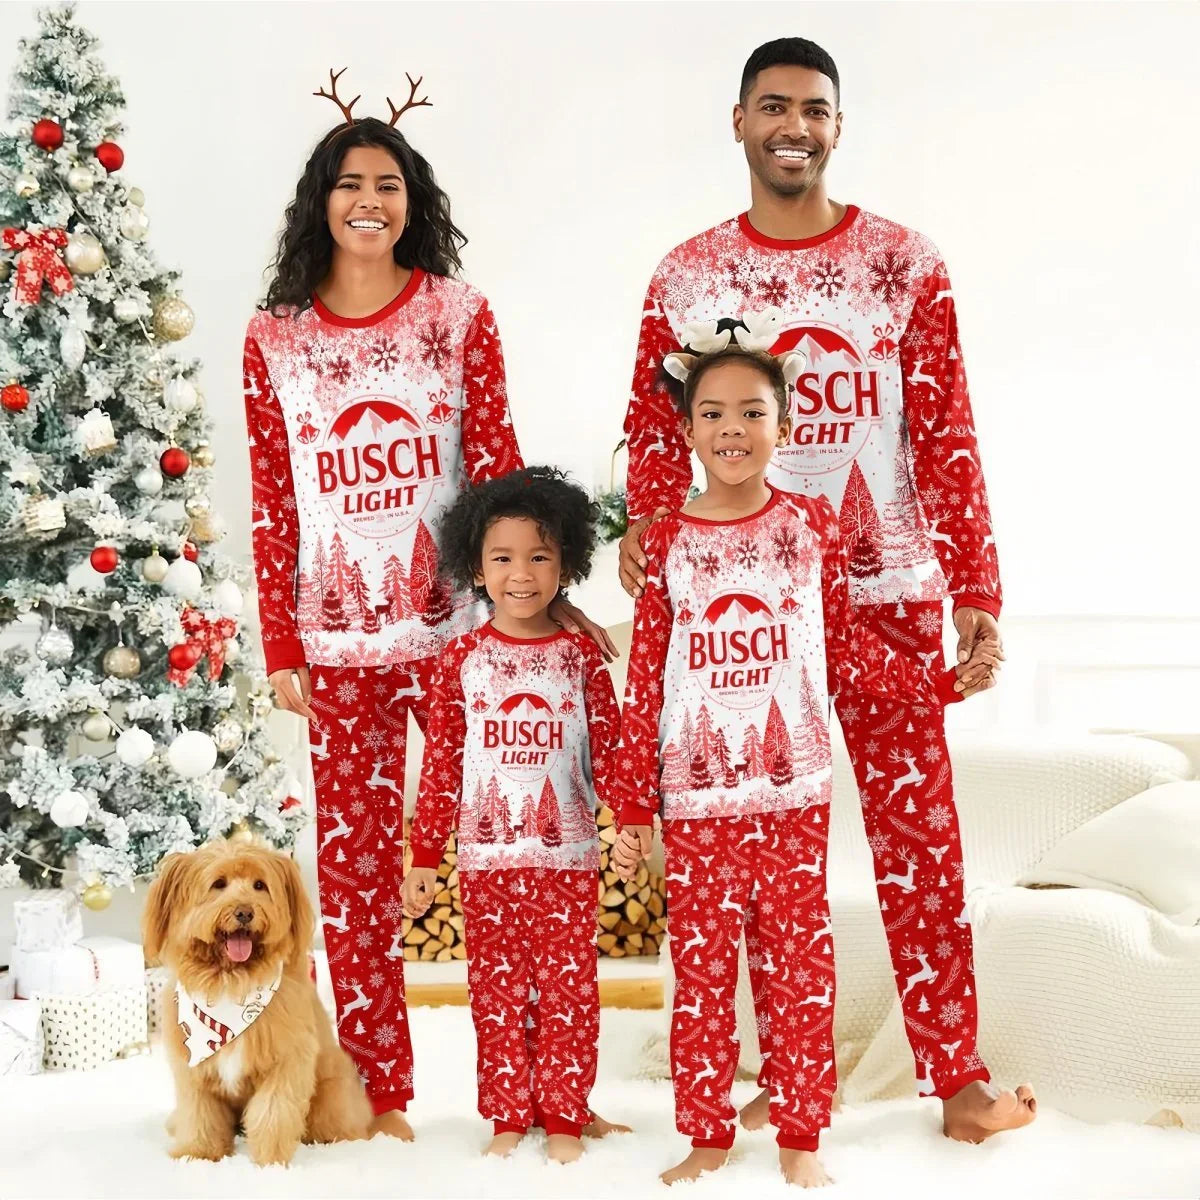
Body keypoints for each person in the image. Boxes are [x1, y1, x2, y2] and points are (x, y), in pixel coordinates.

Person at [617, 37, 1036, 1143]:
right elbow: (655, 433)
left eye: (812, 108)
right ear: (741, 121)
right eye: (772, 107)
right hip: (731, 616)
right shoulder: (688, 276)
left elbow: (946, 428)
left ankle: (956, 1078)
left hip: (885, 594)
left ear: (836, 126)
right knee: (737, 860)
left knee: (921, 848)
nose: (792, 125)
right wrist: (646, 538)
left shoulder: (904, 262)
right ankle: (764, 1076)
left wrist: (975, 584)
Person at [244, 89, 613, 1135]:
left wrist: (541, 607)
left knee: (522, 848)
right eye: (350, 183)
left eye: (388, 185)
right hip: (337, 643)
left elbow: (495, 471)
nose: (369, 200)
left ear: (413, 205)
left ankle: (548, 1088)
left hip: (465, 642)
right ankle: (378, 1092)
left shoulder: (458, 316)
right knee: (357, 881)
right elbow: (274, 498)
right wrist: (282, 640)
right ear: (322, 202)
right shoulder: (274, 337)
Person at [613, 343, 988, 1186]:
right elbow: (645, 682)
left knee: (797, 970)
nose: (733, 430)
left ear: (783, 427)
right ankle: (708, 1133)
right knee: (703, 975)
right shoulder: (666, 543)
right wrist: (634, 807)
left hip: (793, 795)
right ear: (686, 432)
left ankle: (799, 1137)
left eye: (752, 412)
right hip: (698, 798)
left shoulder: (810, 526)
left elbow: (846, 649)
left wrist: (936, 685)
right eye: (713, 414)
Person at [403, 467, 627, 1164]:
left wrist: (632, 822)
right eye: (502, 558)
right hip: (486, 863)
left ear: (567, 564)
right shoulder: (461, 661)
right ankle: (507, 1112)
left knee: (568, 990)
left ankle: (564, 1112)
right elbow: (441, 766)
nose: (522, 575)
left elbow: (612, 749)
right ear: (476, 566)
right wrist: (422, 859)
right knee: (495, 992)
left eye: (540, 557)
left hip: (566, 858)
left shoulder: (580, 655)